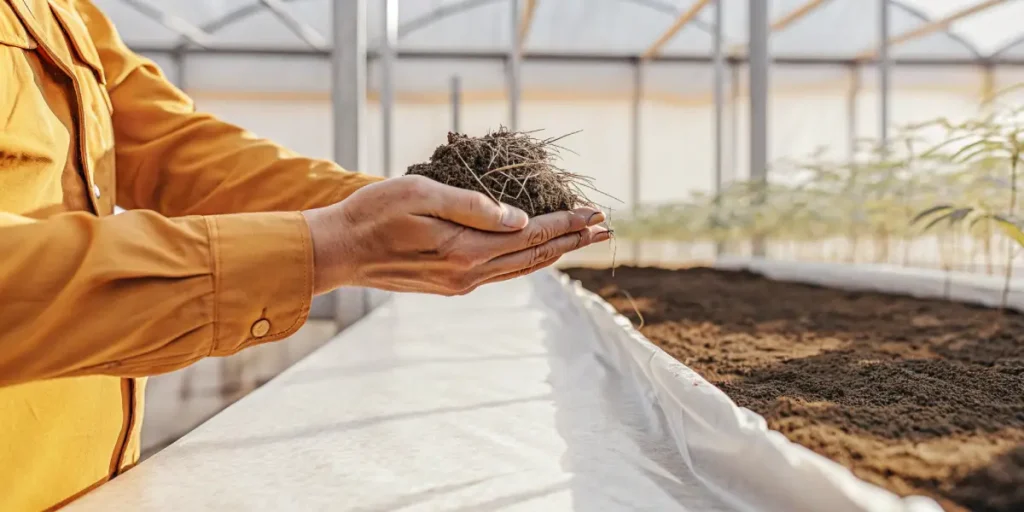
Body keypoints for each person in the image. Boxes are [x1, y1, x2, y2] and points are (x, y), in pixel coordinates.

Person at [0, 1, 609, 509]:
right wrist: (325, 246)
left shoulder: (59, 9)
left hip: (90, 485)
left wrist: (385, 209)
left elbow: (169, 145)